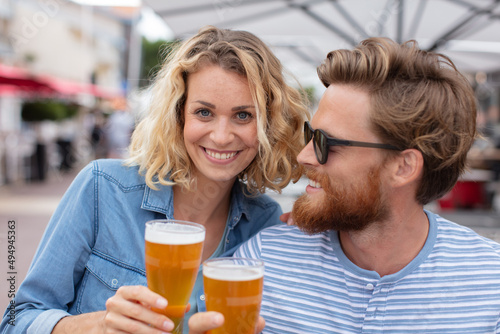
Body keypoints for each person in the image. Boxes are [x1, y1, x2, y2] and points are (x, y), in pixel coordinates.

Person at [0, 26, 309, 334]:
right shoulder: (103, 188)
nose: (221, 136)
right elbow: (16, 320)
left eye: (243, 115)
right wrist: (98, 325)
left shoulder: (266, 223)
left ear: (268, 124)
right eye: (204, 112)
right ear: (179, 115)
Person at [189, 37, 500, 333]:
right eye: (311, 135)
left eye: (326, 143)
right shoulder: (259, 265)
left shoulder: (490, 286)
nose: (304, 156)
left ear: (403, 167)